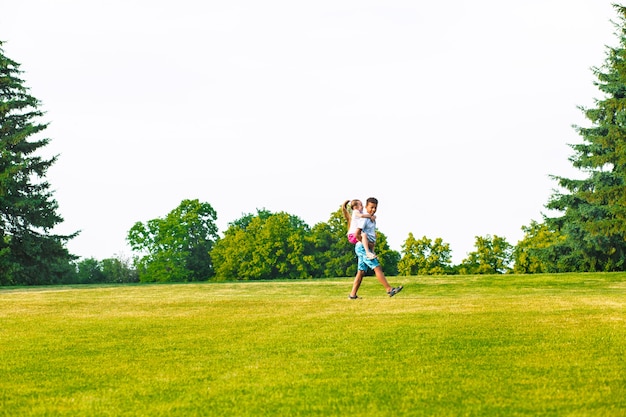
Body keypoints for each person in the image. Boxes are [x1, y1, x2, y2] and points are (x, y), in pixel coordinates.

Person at [348, 197, 403, 299]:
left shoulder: (372, 219)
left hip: (365, 248)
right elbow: (357, 234)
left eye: (375, 208)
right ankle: (389, 289)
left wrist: (372, 247)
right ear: (366, 207)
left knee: (361, 272)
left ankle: (352, 295)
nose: (373, 210)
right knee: (376, 267)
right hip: (362, 248)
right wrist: (368, 246)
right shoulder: (365, 219)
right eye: (371, 207)